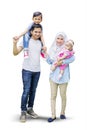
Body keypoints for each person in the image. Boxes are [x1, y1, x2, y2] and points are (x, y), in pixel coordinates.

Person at [13, 24, 46, 122]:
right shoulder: (26, 41)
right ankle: (23, 111)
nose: (37, 34)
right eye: (35, 32)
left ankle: (30, 109)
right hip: (27, 70)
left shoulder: (41, 43)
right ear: (31, 31)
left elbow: (44, 55)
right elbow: (15, 53)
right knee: (26, 91)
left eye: (39, 32)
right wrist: (14, 44)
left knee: (33, 91)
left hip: (37, 71)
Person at [45, 32, 75, 122]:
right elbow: (50, 62)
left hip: (64, 77)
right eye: (58, 38)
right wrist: (46, 55)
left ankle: (62, 113)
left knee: (63, 96)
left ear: (64, 40)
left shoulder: (67, 49)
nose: (59, 40)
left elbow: (72, 59)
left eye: (61, 39)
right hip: (53, 77)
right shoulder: (53, 49)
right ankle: (53, 115)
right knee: (53, 96)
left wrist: (61, 62)